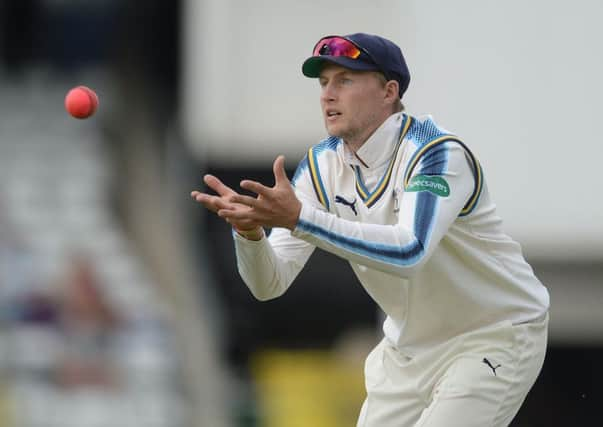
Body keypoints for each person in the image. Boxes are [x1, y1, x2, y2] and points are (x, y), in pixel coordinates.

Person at [191, 33, 550, 427]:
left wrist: (300, 219)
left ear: (388, 91)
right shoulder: (321, 164)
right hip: (408, 349)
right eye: (324, 82)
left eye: (344, 80)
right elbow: (269, 284)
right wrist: (250, 236)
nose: (328, 95)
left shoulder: (436, 153)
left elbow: (409, 251)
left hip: (493, 334)